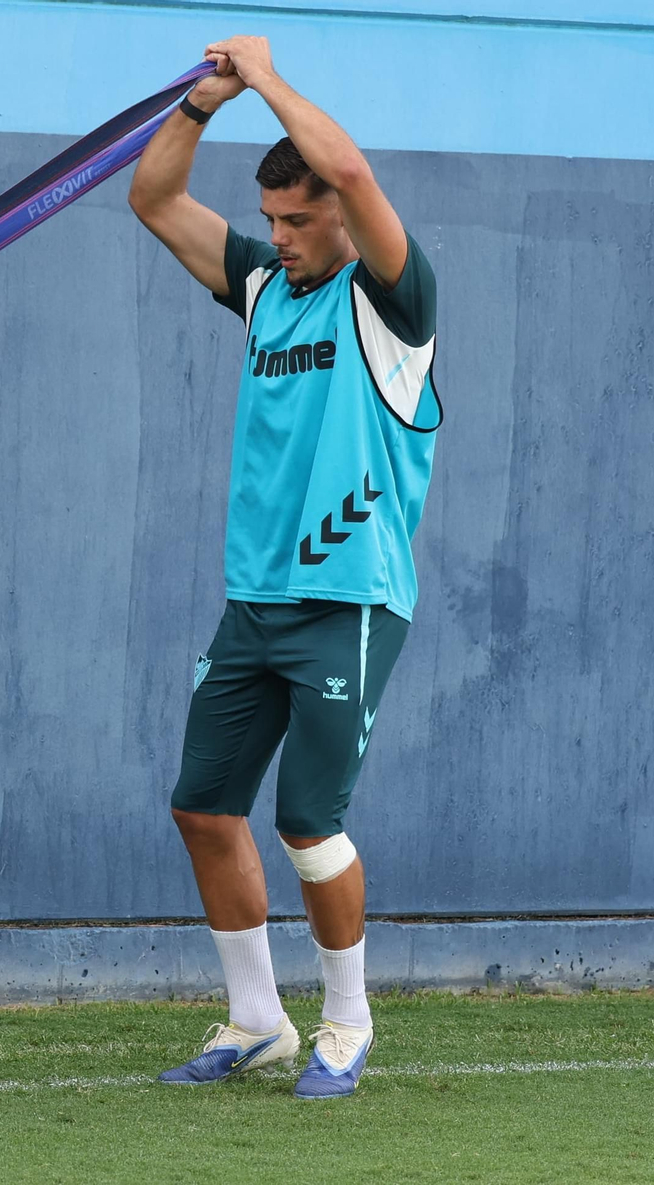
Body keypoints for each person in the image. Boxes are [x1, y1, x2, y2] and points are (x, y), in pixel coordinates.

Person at [127, 36, 441, 1098]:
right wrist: (201, 108)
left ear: (345, 224)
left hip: (348, 601)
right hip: (254, 602)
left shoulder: (394, 303)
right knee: (202, 807)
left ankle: (344, 1027)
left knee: (309, 821)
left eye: (298, 222)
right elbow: (153, 200)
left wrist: (264, 73)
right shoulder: (265, 292)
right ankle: (254, 1021)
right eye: (270, 222)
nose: (280, 238)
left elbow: (348, 171)